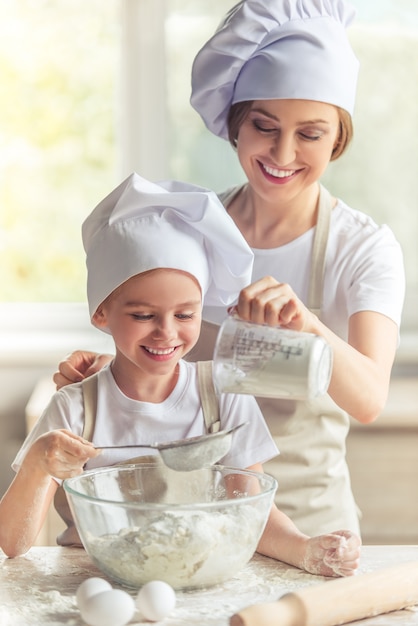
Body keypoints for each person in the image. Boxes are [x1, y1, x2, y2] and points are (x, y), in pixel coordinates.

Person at [53, 0, 405, 537]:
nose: (282, 153)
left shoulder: (362, 248)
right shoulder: (188, 229)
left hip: (311, 528)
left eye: (310, 134)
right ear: (235, 126)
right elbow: (170, 362)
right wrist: (110, 370)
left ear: (337, 138)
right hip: (194, 523)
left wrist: (305, 327)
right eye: (264, 126)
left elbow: (369, 398)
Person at [0, 173, 360, 576]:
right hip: (94, 582)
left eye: (185, 314)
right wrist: (37, 464)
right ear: (102, 313)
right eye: (143, 315)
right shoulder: (75, 408)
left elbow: (252, 515)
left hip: (198, 579)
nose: (166, 332)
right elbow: (14, 544)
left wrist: (306, 549)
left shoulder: (223, 392)